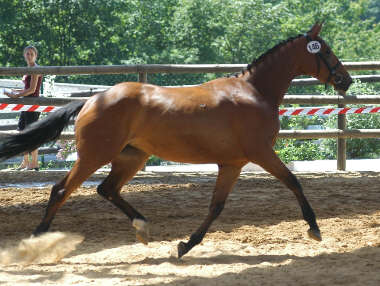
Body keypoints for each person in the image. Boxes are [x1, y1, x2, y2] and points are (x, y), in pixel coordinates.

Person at [5, 45, 43, 171]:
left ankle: (35, 163)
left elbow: (32, 90)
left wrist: (16, 95)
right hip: (25, 104)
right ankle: (26, 162)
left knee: (31, 133)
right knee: (21, 132)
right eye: (27, 53)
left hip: (32, 105)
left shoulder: (35, 69)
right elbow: (26, 89)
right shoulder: (28, 69)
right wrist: (13, 92)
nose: (29, 55)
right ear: (24, 55)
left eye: (32, 54)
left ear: (36, 55)